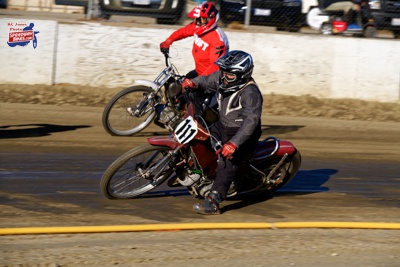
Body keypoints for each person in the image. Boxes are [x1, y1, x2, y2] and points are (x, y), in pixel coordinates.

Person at [182, 50, 263, 215]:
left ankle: (214, 199)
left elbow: (251, 122)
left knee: (228, 161)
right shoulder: (222, 78)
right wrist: (193, 83)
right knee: (200, 136)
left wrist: (234, 144)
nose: (224, 77)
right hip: (222, 124)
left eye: (229, 75)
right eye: (223, 72)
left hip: (241, 134)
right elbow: (206, 81)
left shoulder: (250, 93)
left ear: (242, 75)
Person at [159, 1, 229, 78]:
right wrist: (168, 41)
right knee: (179, 85)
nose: (197, 23)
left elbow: (215, 67)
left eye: (201, 20)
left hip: (210, 78)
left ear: (210, 19)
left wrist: (197, 82)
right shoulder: (197, 26)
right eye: (196, 19)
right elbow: (183, 32)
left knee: (186, 87)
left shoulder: (217, 40)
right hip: (199, 72)